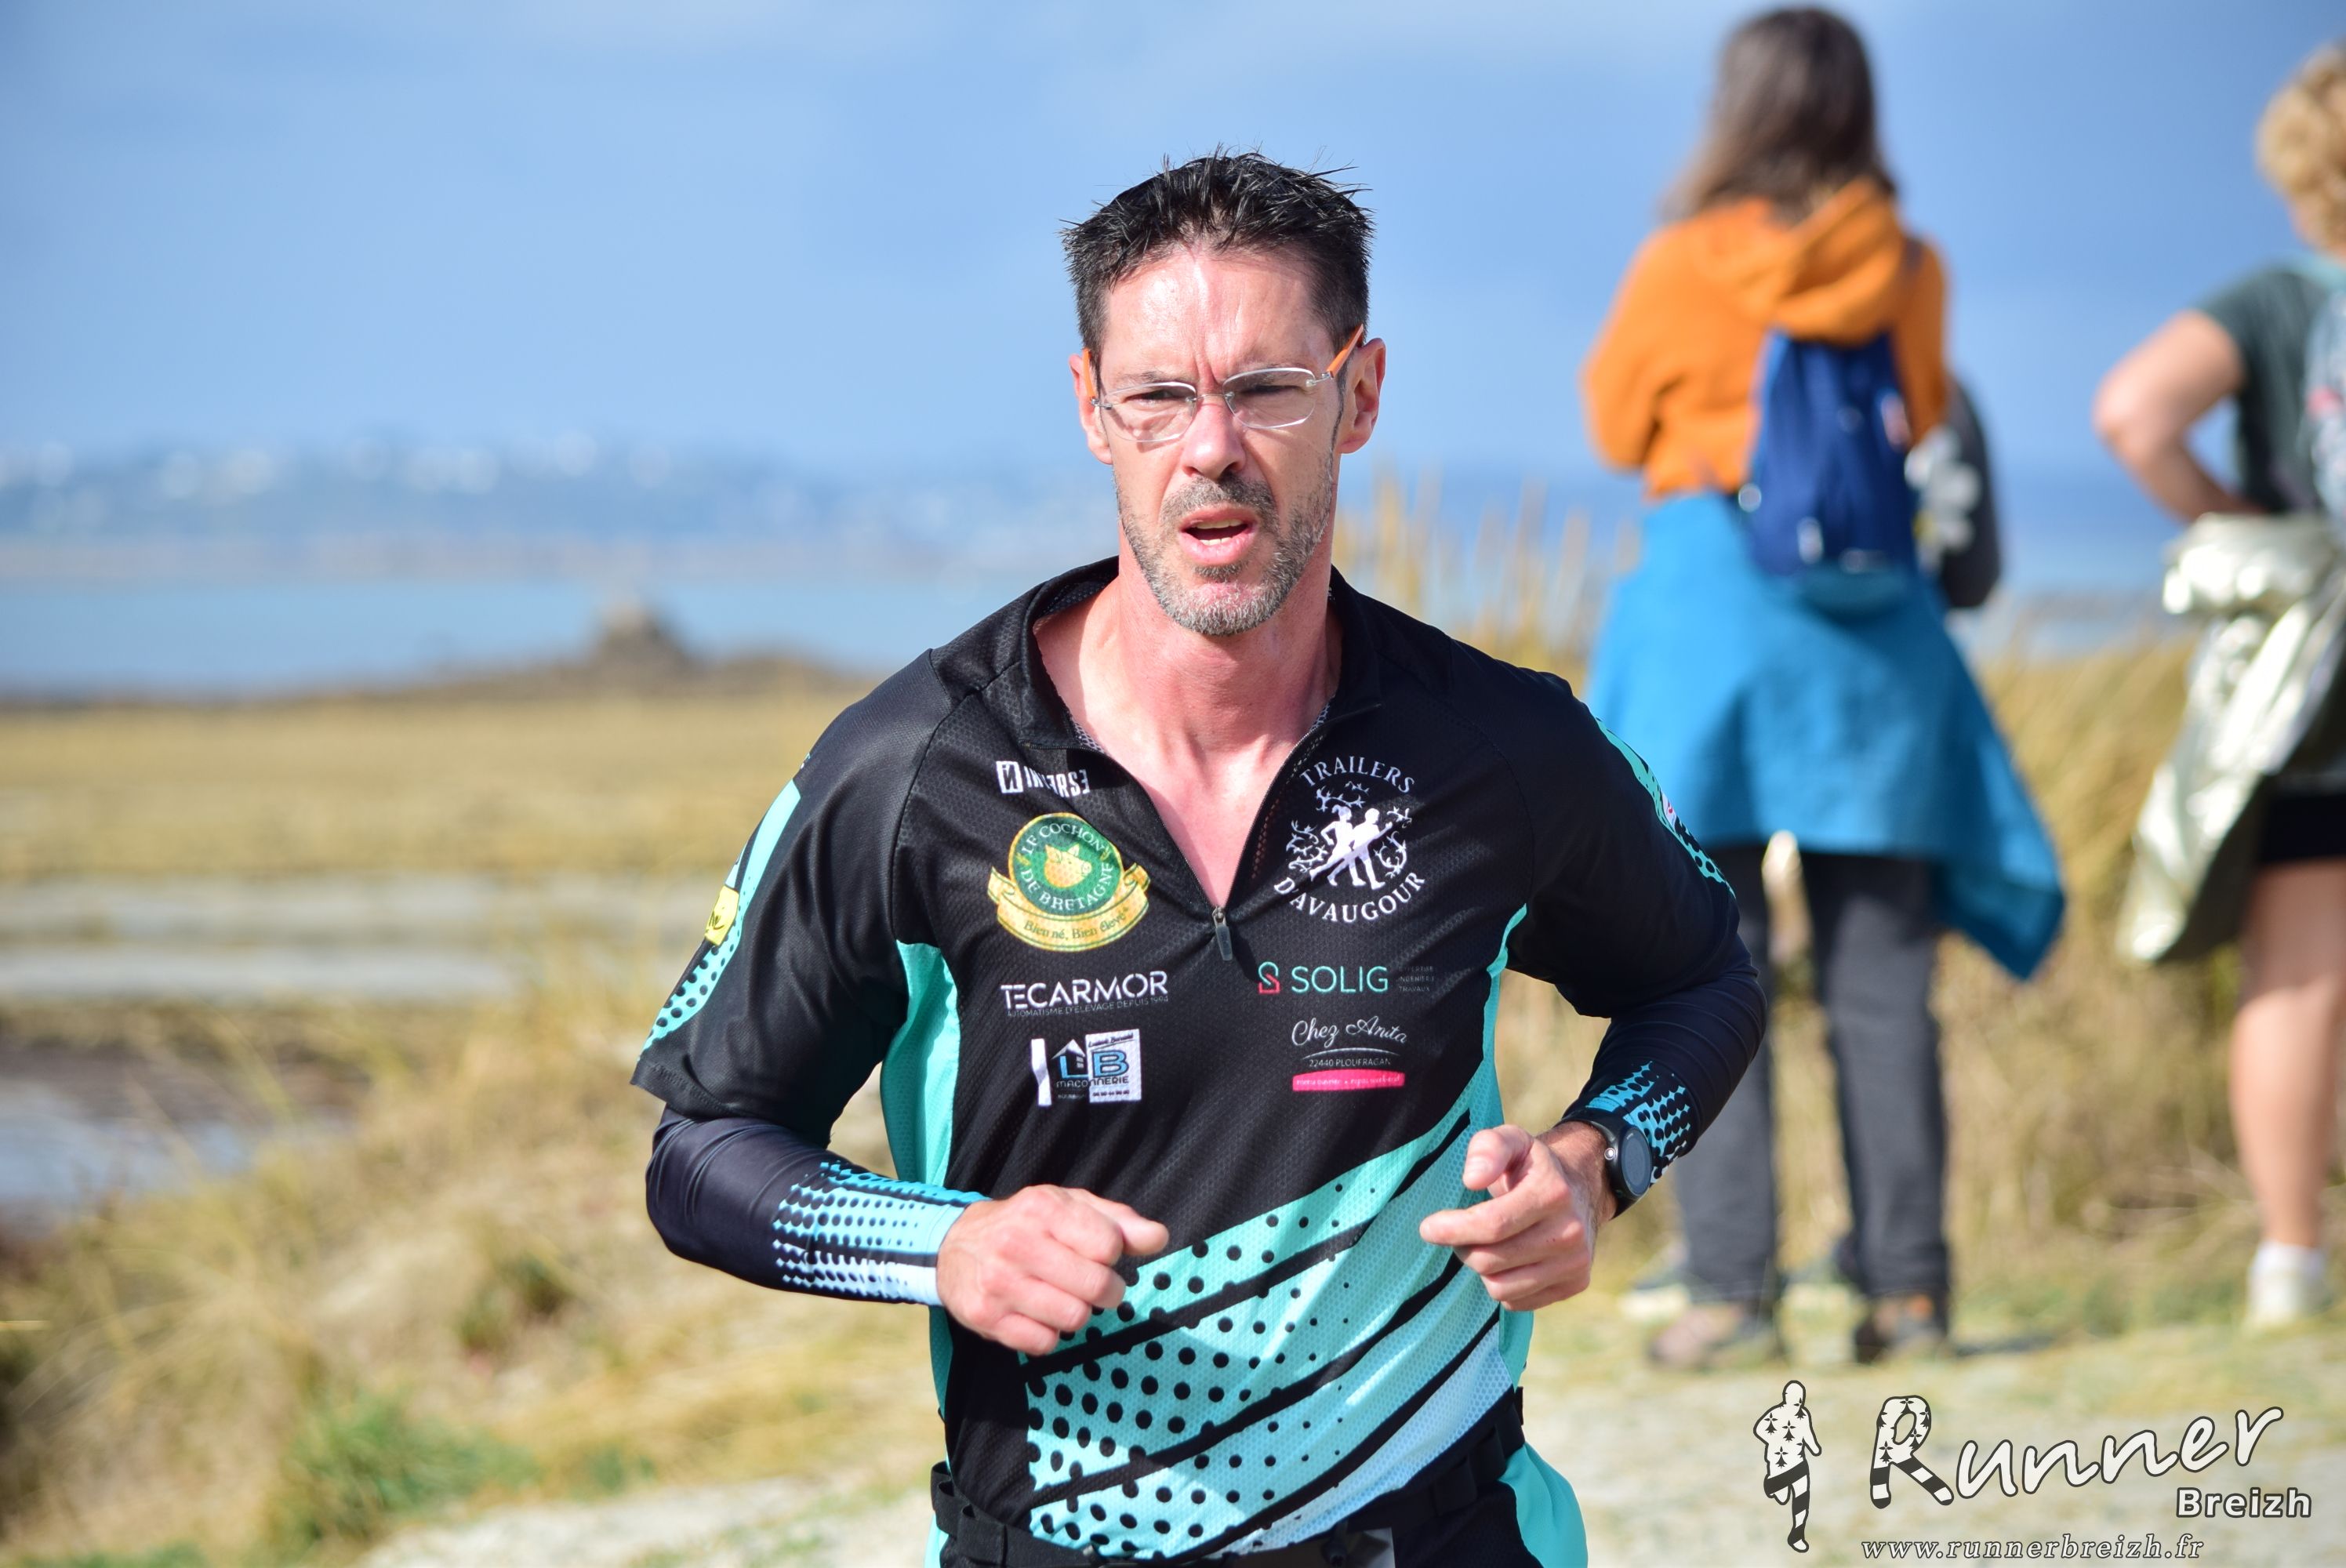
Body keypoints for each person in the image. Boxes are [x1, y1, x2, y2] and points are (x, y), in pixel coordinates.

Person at [630, 152, 1766, 1566]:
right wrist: (944, 1246)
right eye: (1158, 396)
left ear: (1360, 394)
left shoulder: (1498, 747)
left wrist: (1598, 1163)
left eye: (1268, 391)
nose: (1210, 447)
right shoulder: (912, 771)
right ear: (1091, 408)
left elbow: (1704, 979)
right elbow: (703, 1153)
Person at [1580, 7, 2064, 1372]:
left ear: (1734, 108)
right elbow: (1923, 410)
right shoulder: (1907, 263)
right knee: (1882, 980)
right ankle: (1909, 1297)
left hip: (1712, 631)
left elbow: (1615, 426)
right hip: (1871, 643)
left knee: (1705, 967)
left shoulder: (1679, 262)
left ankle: (1732, 1292)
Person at [2097, 38, 2346, 1329]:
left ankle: (2289, 1257)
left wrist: (2248, 530)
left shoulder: (2281, 301)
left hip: (2316, 682)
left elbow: (2134, 412)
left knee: (2298, 970)